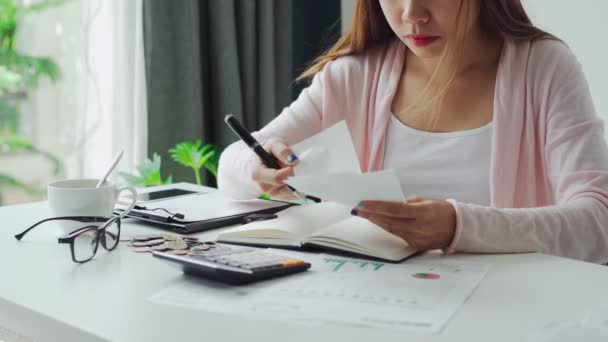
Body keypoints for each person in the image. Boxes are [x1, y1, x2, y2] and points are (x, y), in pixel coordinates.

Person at [218, 0, 608, 263]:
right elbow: (230, 166)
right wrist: (260, 167)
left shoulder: (542, 68)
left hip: (507, 311)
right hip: (377, 304)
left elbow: (598, 221)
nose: (411, 14)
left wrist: (459, 227)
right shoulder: (353, 75)